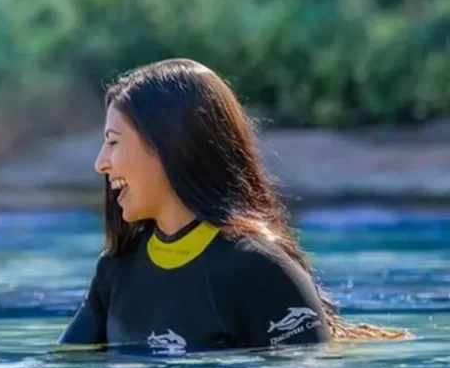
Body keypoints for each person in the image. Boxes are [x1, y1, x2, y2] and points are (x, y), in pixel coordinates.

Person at [58, 58, 411, 353]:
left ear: (170, 146)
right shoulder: (116, 272)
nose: (101, 163)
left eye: (113, 142)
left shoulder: (259, 268)